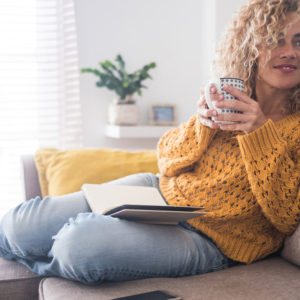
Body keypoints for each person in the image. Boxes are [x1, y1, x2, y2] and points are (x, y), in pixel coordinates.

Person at [0, 0, 299, 285]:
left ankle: (55, 261)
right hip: (157, 193)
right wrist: (200, 124)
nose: (288, 52)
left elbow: (287, 216)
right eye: (275, 39)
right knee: (18, 224)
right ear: (251, 46)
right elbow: (167, 160)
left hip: (212, 241)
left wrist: (260, 133)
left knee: (78, 244)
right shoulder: (230, 98)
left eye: (298, 41)